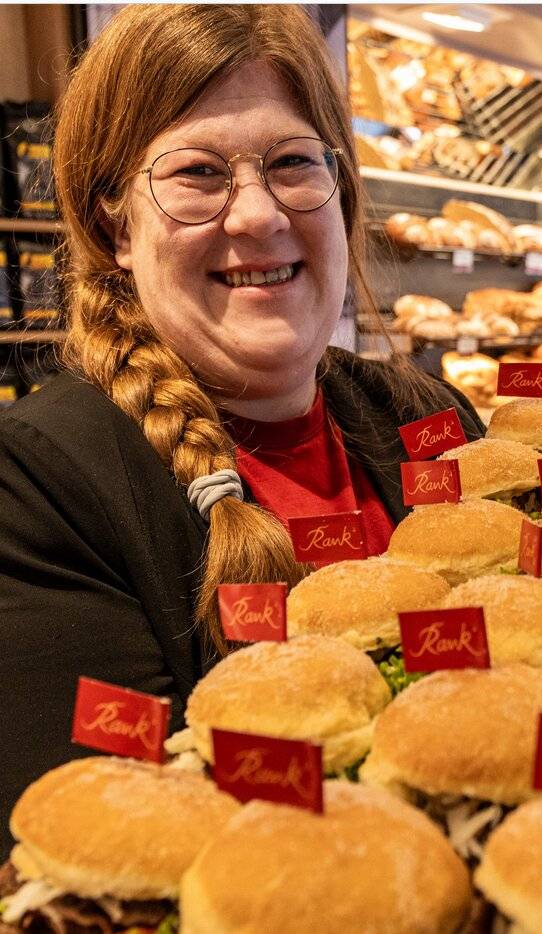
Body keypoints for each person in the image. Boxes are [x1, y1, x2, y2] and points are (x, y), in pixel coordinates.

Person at [0, 4, 483, 854]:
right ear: (116, 224)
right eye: (198, 174)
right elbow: (115, 843)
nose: (258, 215)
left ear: (340, 192)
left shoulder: (432, 420)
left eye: (293, 162)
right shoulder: (37, 485)